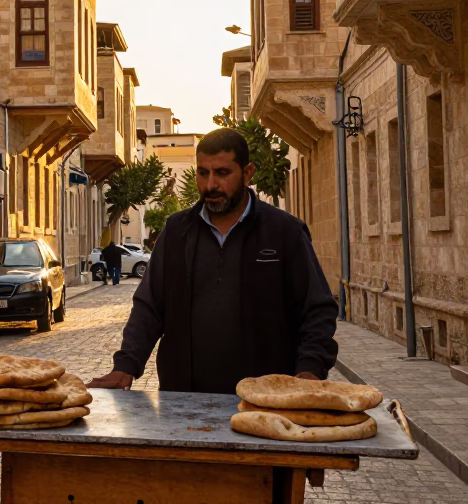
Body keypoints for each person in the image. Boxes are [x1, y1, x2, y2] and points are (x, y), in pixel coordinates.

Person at [87, 128, 338, 394]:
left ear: (248, 173)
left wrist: (310, 369)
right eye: (203, 173)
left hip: (267, 399)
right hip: (184, 400)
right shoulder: (176, 232)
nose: (210, 185)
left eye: (222, 173)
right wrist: (126, 365)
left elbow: (317, 308)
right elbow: (149, 306)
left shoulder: (285, 232)